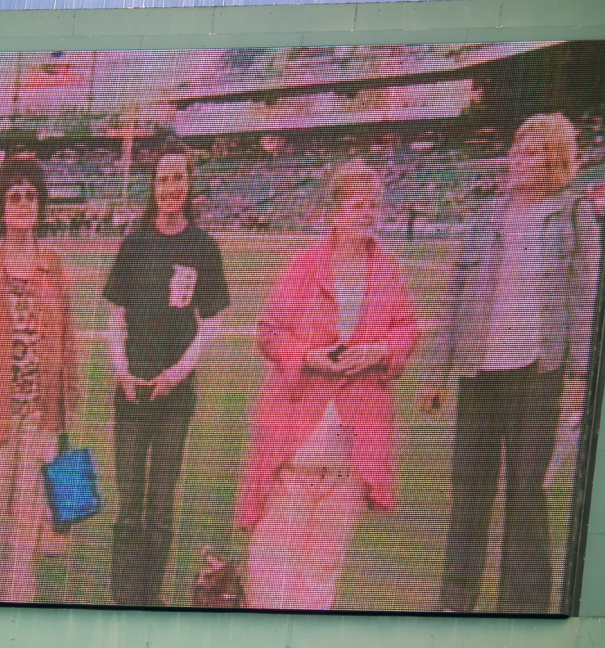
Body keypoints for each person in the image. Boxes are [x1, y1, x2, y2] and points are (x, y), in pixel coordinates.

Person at [421, 113, 601, 614]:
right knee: (469, 491)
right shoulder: (487, 215)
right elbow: (456, 295)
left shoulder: (574, 213)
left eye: (539, 152)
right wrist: (435, 372)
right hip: (479, 371)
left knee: (526, 490)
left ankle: (522, 607)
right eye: (522, 149)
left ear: (558, 162)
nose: (525, 159)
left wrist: (582, 375)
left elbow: (587, 299)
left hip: (538, 373)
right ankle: (455, 601)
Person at [236, 160, 418, 610]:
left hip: (352, 448)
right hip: (296, 438)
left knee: (321, 576)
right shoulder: (305, 267)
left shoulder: (387, 270)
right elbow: (269, 332)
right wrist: (308, 357)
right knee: (271, 577)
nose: (364, 214)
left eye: (370, 205)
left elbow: (408, 330)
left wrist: (378, 352)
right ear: (335, 211)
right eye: (354, 204)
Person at [102, 142, 230, 606]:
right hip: (132, 395)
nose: (170, 187)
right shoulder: (135, 244)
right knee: (128, 507)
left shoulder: (203, 247)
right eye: (162, 178)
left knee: (159, 508)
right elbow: (115, 317)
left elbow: (211, 324)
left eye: (178, 178)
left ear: (189, 186)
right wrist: (122, 372)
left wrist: (175, 374)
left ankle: (150, 600)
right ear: (152, 186)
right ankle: (124, 600)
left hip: (174, 398)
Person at [0, 152, 78, 603]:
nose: (23, 204)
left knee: (27, 531)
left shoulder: (54, 266)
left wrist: (65, 417)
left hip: (40, 419)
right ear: (0, 208)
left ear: (41, 204)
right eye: (14, 196)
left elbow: (68, 344)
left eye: (30, 196)